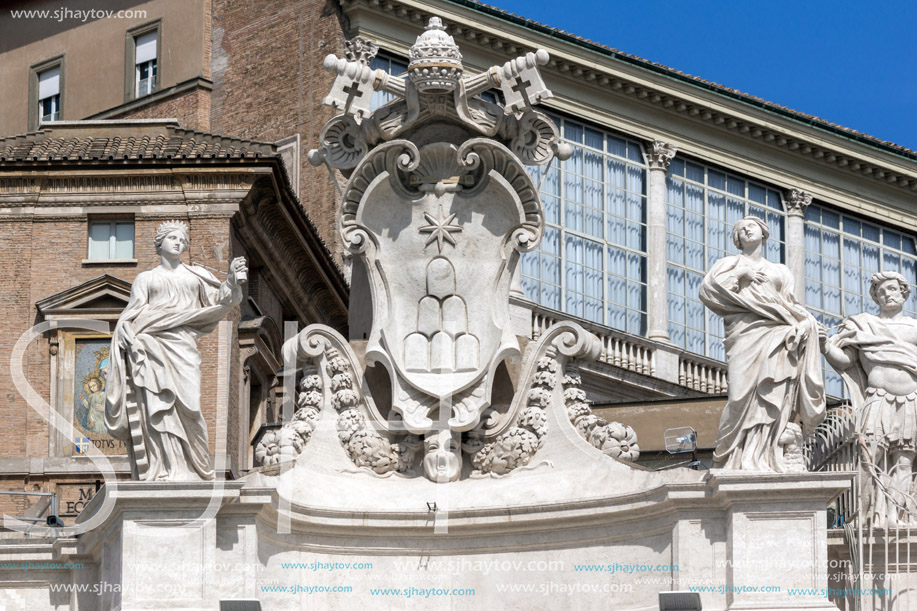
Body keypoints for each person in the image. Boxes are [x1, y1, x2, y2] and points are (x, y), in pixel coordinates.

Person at [105, 221, 247, 481]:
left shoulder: (195, 276)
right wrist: (126, 333)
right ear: (160, 243)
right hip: (151, 345)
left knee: (190, 406)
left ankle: (194, 466)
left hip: (183, 345)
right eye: (172, 238)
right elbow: (131, 314)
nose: (177, 243)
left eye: (181, 239)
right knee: (157, 405)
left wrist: (230, 279)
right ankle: (165, 466)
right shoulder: (145, 278)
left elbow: (220, 300)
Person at [699, 215, 826, 471]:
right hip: (745, 333)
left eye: (751, 226)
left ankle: (769, 456)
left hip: (778, 334)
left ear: (763, 232)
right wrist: (740, 273)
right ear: (736, 239)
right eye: (741, 229)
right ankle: (733, 455)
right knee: (739, 396)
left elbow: (790, 304)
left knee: (774, 395)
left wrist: (808, 323)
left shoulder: (780, 270)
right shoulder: (729, 263)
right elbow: (709, 291)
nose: (746, 230)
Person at [823, 271, 917, 525]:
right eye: (882, 291)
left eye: (893, 289)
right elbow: (845, 361)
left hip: (911, 400)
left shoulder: (914, 327)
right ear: (875, 297)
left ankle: (899, 515)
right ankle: (868, 514)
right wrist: (826, 346)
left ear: (904, 292)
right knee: (869, 455)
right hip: (877, 398)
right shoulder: (863, 325)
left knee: (904, 460)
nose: (888, 294)